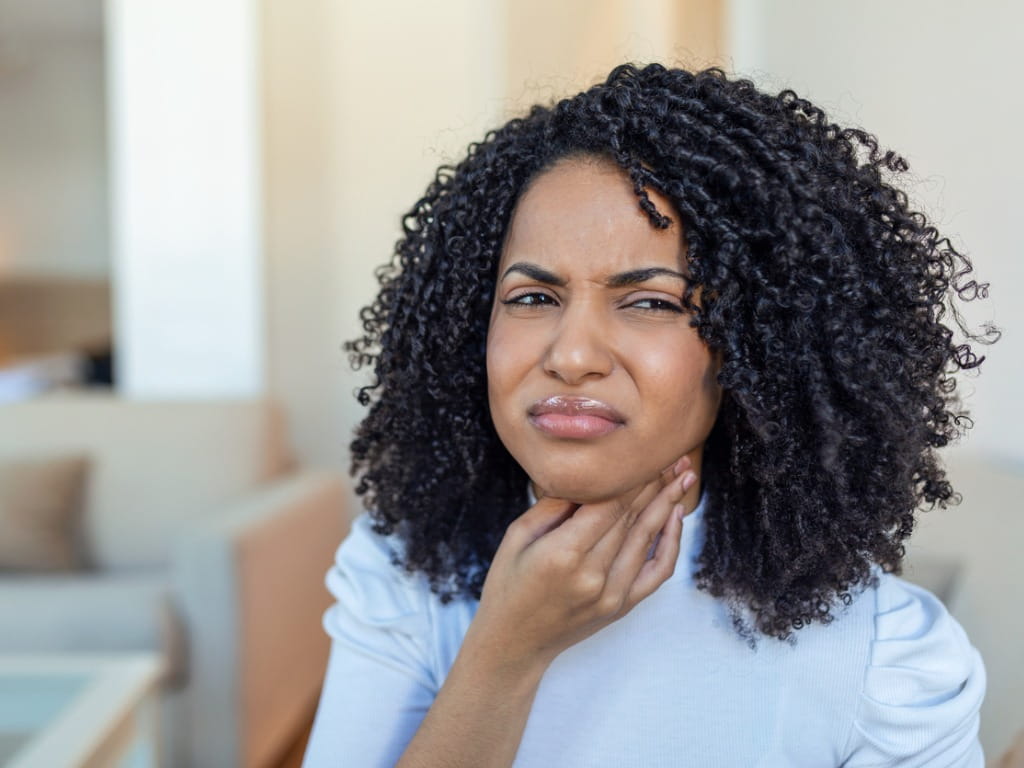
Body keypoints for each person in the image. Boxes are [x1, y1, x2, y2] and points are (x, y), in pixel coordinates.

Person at [302, 63, 998, 767]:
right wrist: (504, 656)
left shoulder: (885, 661)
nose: (571, 355)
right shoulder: (402, 577)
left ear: (754, 348)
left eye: (652, 302)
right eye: (534, 298)